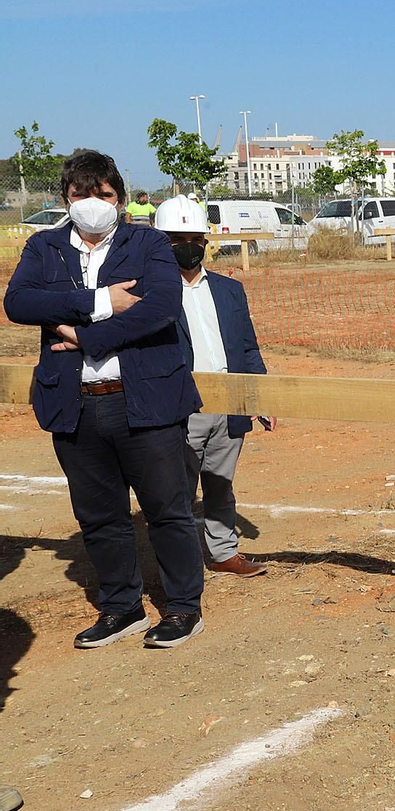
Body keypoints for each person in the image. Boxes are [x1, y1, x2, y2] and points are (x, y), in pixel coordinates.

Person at [3, 151, 207, 648]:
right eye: (80, 195)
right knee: (98, 515)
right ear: (65, 199)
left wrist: (84, 335)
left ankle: (182, 607)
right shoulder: (44, 246)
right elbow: (19, 303)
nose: (93, 204)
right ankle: (122, 607)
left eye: (105, 195)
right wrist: (101, 302)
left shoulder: (149, 243)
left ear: (118, 196)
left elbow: (160, 307)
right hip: (75, 403)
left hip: (146, 398)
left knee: (167, 509)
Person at [160, 196, 272, 579]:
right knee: (177, 491)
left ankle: (224, 553)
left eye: (195, 237)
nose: (187, 246)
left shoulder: (229, 290)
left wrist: (259, 396)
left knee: (221, 486)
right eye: (177, 239)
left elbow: (247, 346)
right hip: (179, 407)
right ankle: (183, 564)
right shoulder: (151, 295)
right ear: (161, 242)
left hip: (229, 405)